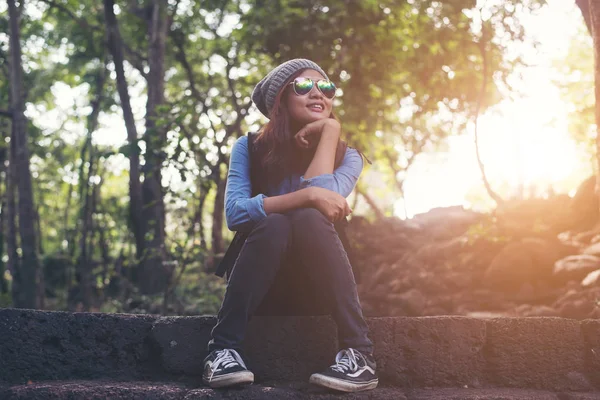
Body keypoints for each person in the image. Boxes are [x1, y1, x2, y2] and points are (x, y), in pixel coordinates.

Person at [202, 59, 377, 393]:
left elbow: (323, 202)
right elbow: (236, 215)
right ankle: (222, 350)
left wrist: (330, 131)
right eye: (303, 86)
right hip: (261, 286)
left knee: (310, 217)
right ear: (280, 100)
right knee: (276, 224)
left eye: (326, 88)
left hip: (319, 287)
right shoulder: (249, 148)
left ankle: (359, 353)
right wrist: (307, 194)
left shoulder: (349, 156)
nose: (318, 93)